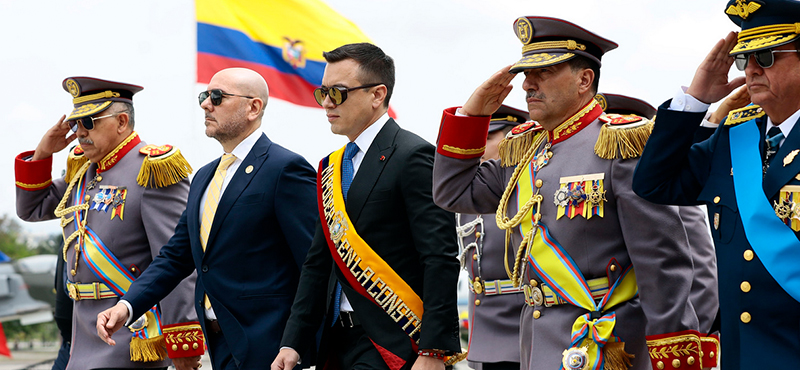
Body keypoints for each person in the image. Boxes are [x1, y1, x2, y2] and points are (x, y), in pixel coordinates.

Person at [432, 16, 716, 370]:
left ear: (585, 79)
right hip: (537, 344)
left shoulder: (621, 144)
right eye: (526, 75)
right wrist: (471, 114)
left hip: (609, 345)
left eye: (544, 72)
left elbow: (662, 264)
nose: (528, 86)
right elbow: (452, 192)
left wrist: (674, 356)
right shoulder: (524, 150)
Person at [95, 68, 319, 370]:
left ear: (253, 107)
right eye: (204, 96)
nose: (205, 104)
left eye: (217, 96)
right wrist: (127, 305)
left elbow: (313, 265)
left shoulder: (285, 168)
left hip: (274, 349)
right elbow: (176, 257)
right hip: (220, 345)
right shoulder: (204, 177)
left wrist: (296, 341)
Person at [271, 43, 462, 370]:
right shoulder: (330, 166)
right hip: (335, 342)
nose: (327, 103)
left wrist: (434, 350)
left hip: (392, 340)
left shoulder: (413, 155)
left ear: (377, 94)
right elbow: (318, 263)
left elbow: (440, 257)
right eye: (324, 92)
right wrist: (293, 340)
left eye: (339, 92)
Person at [632, 1, 800, 368]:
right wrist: (695, 99)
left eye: (766, 56)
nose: (752, 69)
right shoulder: (735, 137)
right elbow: (653, 184)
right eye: (745, 59)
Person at [15, 77, 200, 370]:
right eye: (75, 124)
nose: (79, 133)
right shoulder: (84, 171)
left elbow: (177, 261)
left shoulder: (153, 170)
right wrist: (43, 153)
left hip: (131, 335)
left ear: (122, 121)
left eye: (89, 121)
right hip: (82, 335)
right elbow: (32, 209)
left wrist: (183, 341)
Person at [455, 104, 529, 370]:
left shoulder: (529, 188)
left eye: (486, 139)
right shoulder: (467, 194)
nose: (479, 147)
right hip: (485, 326)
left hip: (525, 321)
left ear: (512, 139)